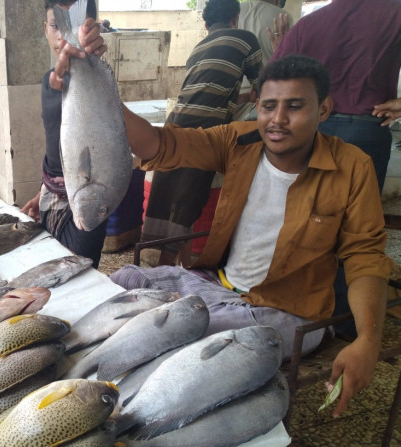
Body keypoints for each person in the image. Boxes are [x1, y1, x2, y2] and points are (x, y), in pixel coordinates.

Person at [55, 21, 391, 416]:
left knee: (158, 330)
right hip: (219, 286)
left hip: (286, 314)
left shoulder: (351, 166)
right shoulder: (241, 141)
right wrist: (98, 80)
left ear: (324, 110)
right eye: (269, 106)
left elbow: (365, 258)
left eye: (295, 106)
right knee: (125, 282)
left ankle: (105, 407)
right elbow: (161, 144)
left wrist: (367, 340)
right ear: (257, 106)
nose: (278, 119)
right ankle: (72, 374)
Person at [141, 0, 262, 265]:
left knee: (167, 198)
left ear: (206, 24)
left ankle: (178, 265)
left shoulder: (198, 49)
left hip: (175, 124)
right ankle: (168, 269)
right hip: (203, 130)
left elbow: (209, 93)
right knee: (188, 201)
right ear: (235, 18)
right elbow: (264, 86)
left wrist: (244, 97)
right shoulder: (246, 39)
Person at [271, 0, 401, 194]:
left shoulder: (308, 24)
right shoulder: (394, 13)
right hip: (368, 131)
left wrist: (282, 51)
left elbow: (273, 82)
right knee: (363, 208)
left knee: (313, 205)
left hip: (315, 130)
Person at [19, 0, 108, 269]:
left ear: (91, 27)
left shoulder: (99, 80)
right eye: (56, 25)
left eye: (75, 25)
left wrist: (92, 59)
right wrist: (43, 191)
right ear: (45, 28)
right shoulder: (50, 80)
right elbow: (55, 146)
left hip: (88, 195)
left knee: (77, 275)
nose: (62, 36)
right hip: (51, 197)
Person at [234, 0, 292, 121]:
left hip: (234, 99)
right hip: (266, 100)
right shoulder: (283, 17)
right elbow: (290, 64)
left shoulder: (234, 11)